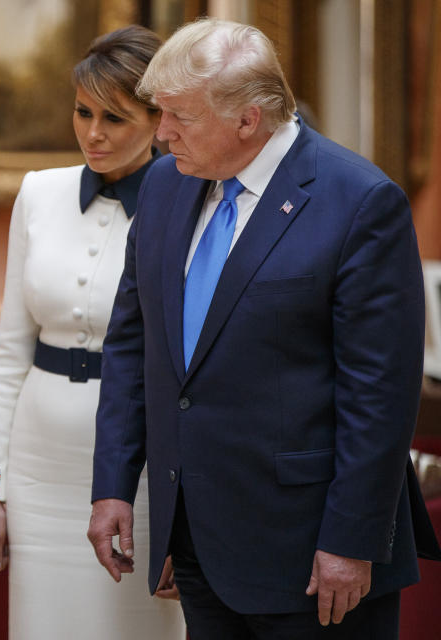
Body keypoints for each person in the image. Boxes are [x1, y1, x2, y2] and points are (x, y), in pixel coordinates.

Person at [87, 17, 441, 640]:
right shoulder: (168, 186)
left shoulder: (359, 201)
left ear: (248, 120)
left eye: (179, 117)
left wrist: (350, 540)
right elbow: (134, 343)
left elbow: (380, 397)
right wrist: (114, 483)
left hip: (312, 556)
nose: (161, 135)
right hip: (196, 541)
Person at [0, 25, 184, 639]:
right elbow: (10, 355)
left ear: (156, 119)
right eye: (83, 112)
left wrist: (184, 517)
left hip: (139, 467)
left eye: (114, 118)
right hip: (37, 462)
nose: (93, 133)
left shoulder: (190, 202)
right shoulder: (39, 193)